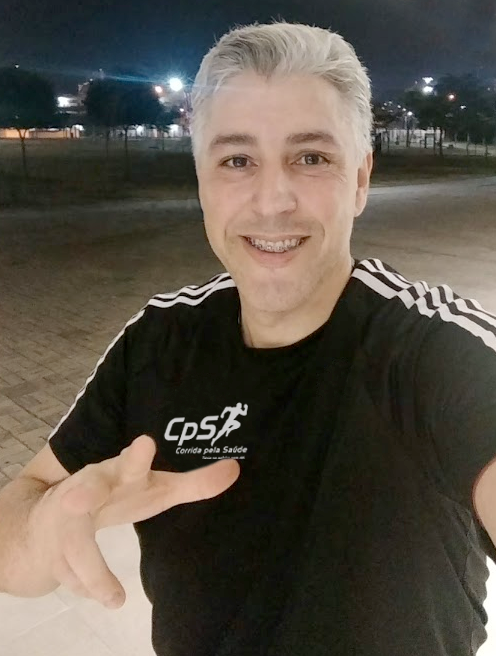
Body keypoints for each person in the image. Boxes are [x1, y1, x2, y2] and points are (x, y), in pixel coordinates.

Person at [1, 21, 496, 656]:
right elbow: (17, 524)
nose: (272, 201)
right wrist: (43, 527)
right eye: (237, 161)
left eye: (311, 157)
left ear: (360, 180)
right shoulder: (159, 340)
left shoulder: (434, 348)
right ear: (202, 182)